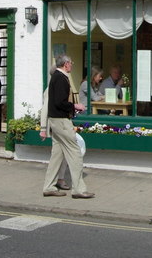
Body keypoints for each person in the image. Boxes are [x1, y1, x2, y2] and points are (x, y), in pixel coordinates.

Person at [42, 55, 94, 199]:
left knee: (57, 155)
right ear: (66, 64)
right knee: (75, 152)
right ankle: (79, 190)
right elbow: (59, 102)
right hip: (62, 121)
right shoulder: (61, 78)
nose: (72, 65)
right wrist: (75, 106)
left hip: (55, 120)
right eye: (71, 63)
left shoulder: (56, 77)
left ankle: (48, 187)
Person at [40, 65, 69, 190]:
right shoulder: (50, 90)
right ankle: (57, 180)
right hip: (55, 125)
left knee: (62, 154)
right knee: (58, 154)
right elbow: (45, 109)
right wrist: (43, 128)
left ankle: (57, 180)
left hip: (61, 123)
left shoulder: (56, 87)